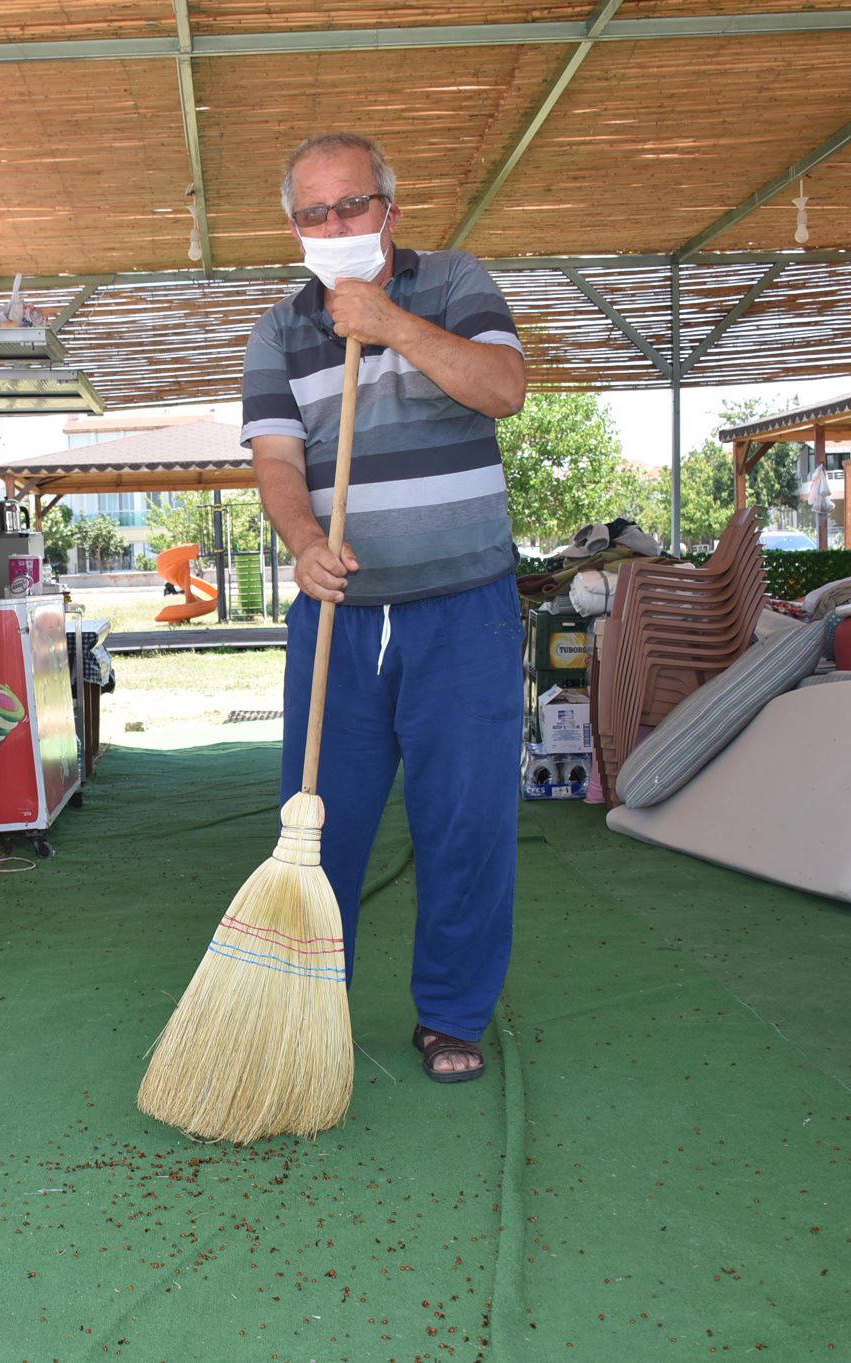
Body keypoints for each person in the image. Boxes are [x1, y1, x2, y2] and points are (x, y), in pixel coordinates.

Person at [241, 132, 526, 1083]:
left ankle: (451, 1015)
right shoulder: (279, 330)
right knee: (319, 822)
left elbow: (504, 388)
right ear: (293, 228)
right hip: (341, 611)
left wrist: (390, 322)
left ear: (389, 211)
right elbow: (278, 463)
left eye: (352, 206)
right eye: (313, 214)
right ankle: (311, 1012)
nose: (335, 225)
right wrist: (303, 543)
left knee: (466, 821)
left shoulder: (453, 283)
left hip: (465, 606)